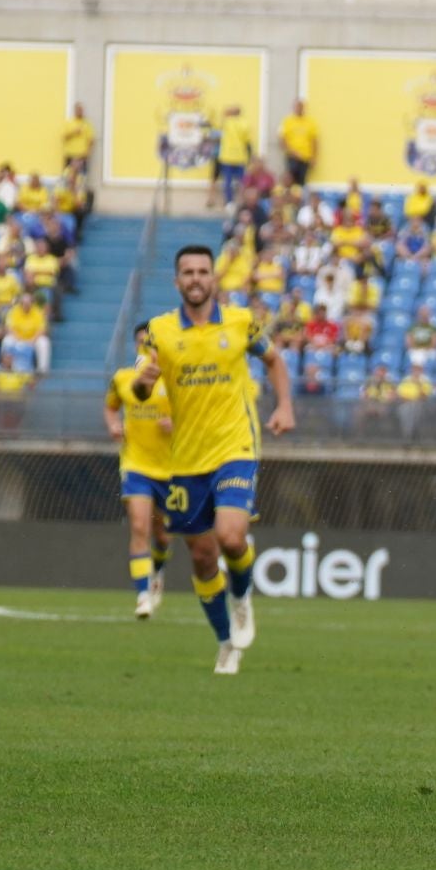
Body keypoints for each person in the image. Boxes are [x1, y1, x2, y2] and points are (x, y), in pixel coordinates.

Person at [133, 245, 295, 673]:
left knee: (230, 537)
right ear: (177, 281)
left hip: (235, 446)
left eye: (203, 271)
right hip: (185, 459)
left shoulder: (242, 322)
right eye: (187, 272)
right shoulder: (159, 331)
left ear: (214, 279)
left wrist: (284, 406)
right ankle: (225, 642)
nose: (196, 278)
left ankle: (241, 596)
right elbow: (139, 388)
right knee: (203, 558)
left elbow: (275, 362)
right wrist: (144, 383)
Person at [105, 326, 175, 620]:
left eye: (150, 342)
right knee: (139, 527)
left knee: (162, 535)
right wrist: (113, 425)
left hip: (171, 469)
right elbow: (111, 408)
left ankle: (157, 571)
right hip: (135, 465)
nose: (145, 347)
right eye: (141, 341)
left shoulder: (173, 380)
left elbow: (195, 415)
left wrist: (176, 423)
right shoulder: (123, 378)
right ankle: (143, 596)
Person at [61, 102, 96, 175]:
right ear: (75, 111)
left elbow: (91, 140)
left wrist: (87, 153)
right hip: (70, 154)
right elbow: (64, 137)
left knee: (81, 177)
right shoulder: (69, 123)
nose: (80, 112)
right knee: (68, 176)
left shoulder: (87, 124)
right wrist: (74, 132)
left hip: (81, 155)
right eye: (78, 110)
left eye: (81, 110)